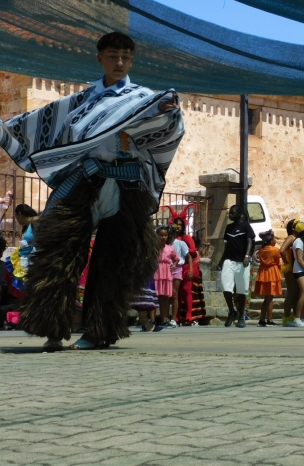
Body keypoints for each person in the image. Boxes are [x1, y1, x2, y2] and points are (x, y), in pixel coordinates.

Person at [2, 32, 183, 350]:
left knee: (116, 259)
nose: (120, 62)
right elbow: (43, 122)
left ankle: (99, 331)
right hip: (85, 179)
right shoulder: (82, 101)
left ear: (132, 60)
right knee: (59, 255)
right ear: (100, 58)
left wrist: (170, 113)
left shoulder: (144, 100)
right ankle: (53, 329)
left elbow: (167, 131)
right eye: (113, 55)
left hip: (127, 184)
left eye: (126, 56)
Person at [219, 205, 255, 328]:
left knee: (241, 289)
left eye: (232, 212)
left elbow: (250, 241)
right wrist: (221, 261)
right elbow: (226, 246)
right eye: (229, 213)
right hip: (229, 260)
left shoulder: (245, 226)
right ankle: (232, 311)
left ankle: (241, 316)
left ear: (239, 213)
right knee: (226, 287)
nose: (230, 215)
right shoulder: (229, 228)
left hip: (242, 262)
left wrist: (247, 256)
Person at [254, 229, 282, 326]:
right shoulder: (275, 250)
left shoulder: (261, 250)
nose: (275, 240)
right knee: (270, 298)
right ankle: (269, 319)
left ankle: (262, 319)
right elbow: (278, 263)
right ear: (271, 240)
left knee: (266, 298)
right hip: (272, 273)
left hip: (263, 273)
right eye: (274, 239)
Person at [154, 225, 180, 327]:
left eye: (165, 235)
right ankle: (159, 319)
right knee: (158, 297)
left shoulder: (170, 248)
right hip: (157, 272)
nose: (163, 237)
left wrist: (174, 265)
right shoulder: (154, 248)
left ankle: (164, 319)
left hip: (167, 273)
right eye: (161, 235)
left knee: (165, 297)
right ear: (157, 236)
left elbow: (177, 258)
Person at [290, 222, 304, 327]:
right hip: (300, 270)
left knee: (302, 294)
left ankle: (301, 318)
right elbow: (299, 258)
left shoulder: (302, 241)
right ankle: (297, 318)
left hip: (303, 270)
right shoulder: (298, 241)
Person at [167, 225, 189, 325]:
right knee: (166, 294)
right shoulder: (164, 245)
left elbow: (188, 256)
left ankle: (174, 318)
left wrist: (191, 269)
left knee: (174, 294)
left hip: (177, 269)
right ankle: (165, 317)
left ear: (174, 234)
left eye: (170, 235)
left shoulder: (180, 243)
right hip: (165, 269)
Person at [280, 219, 299, 326]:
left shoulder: (296, 238)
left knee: (296, 293)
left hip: (294, 268)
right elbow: (281, 250)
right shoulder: (291, 237)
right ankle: (287, 318)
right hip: (290, 269)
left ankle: (296, 316)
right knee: (291, 293)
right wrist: (287, 264)